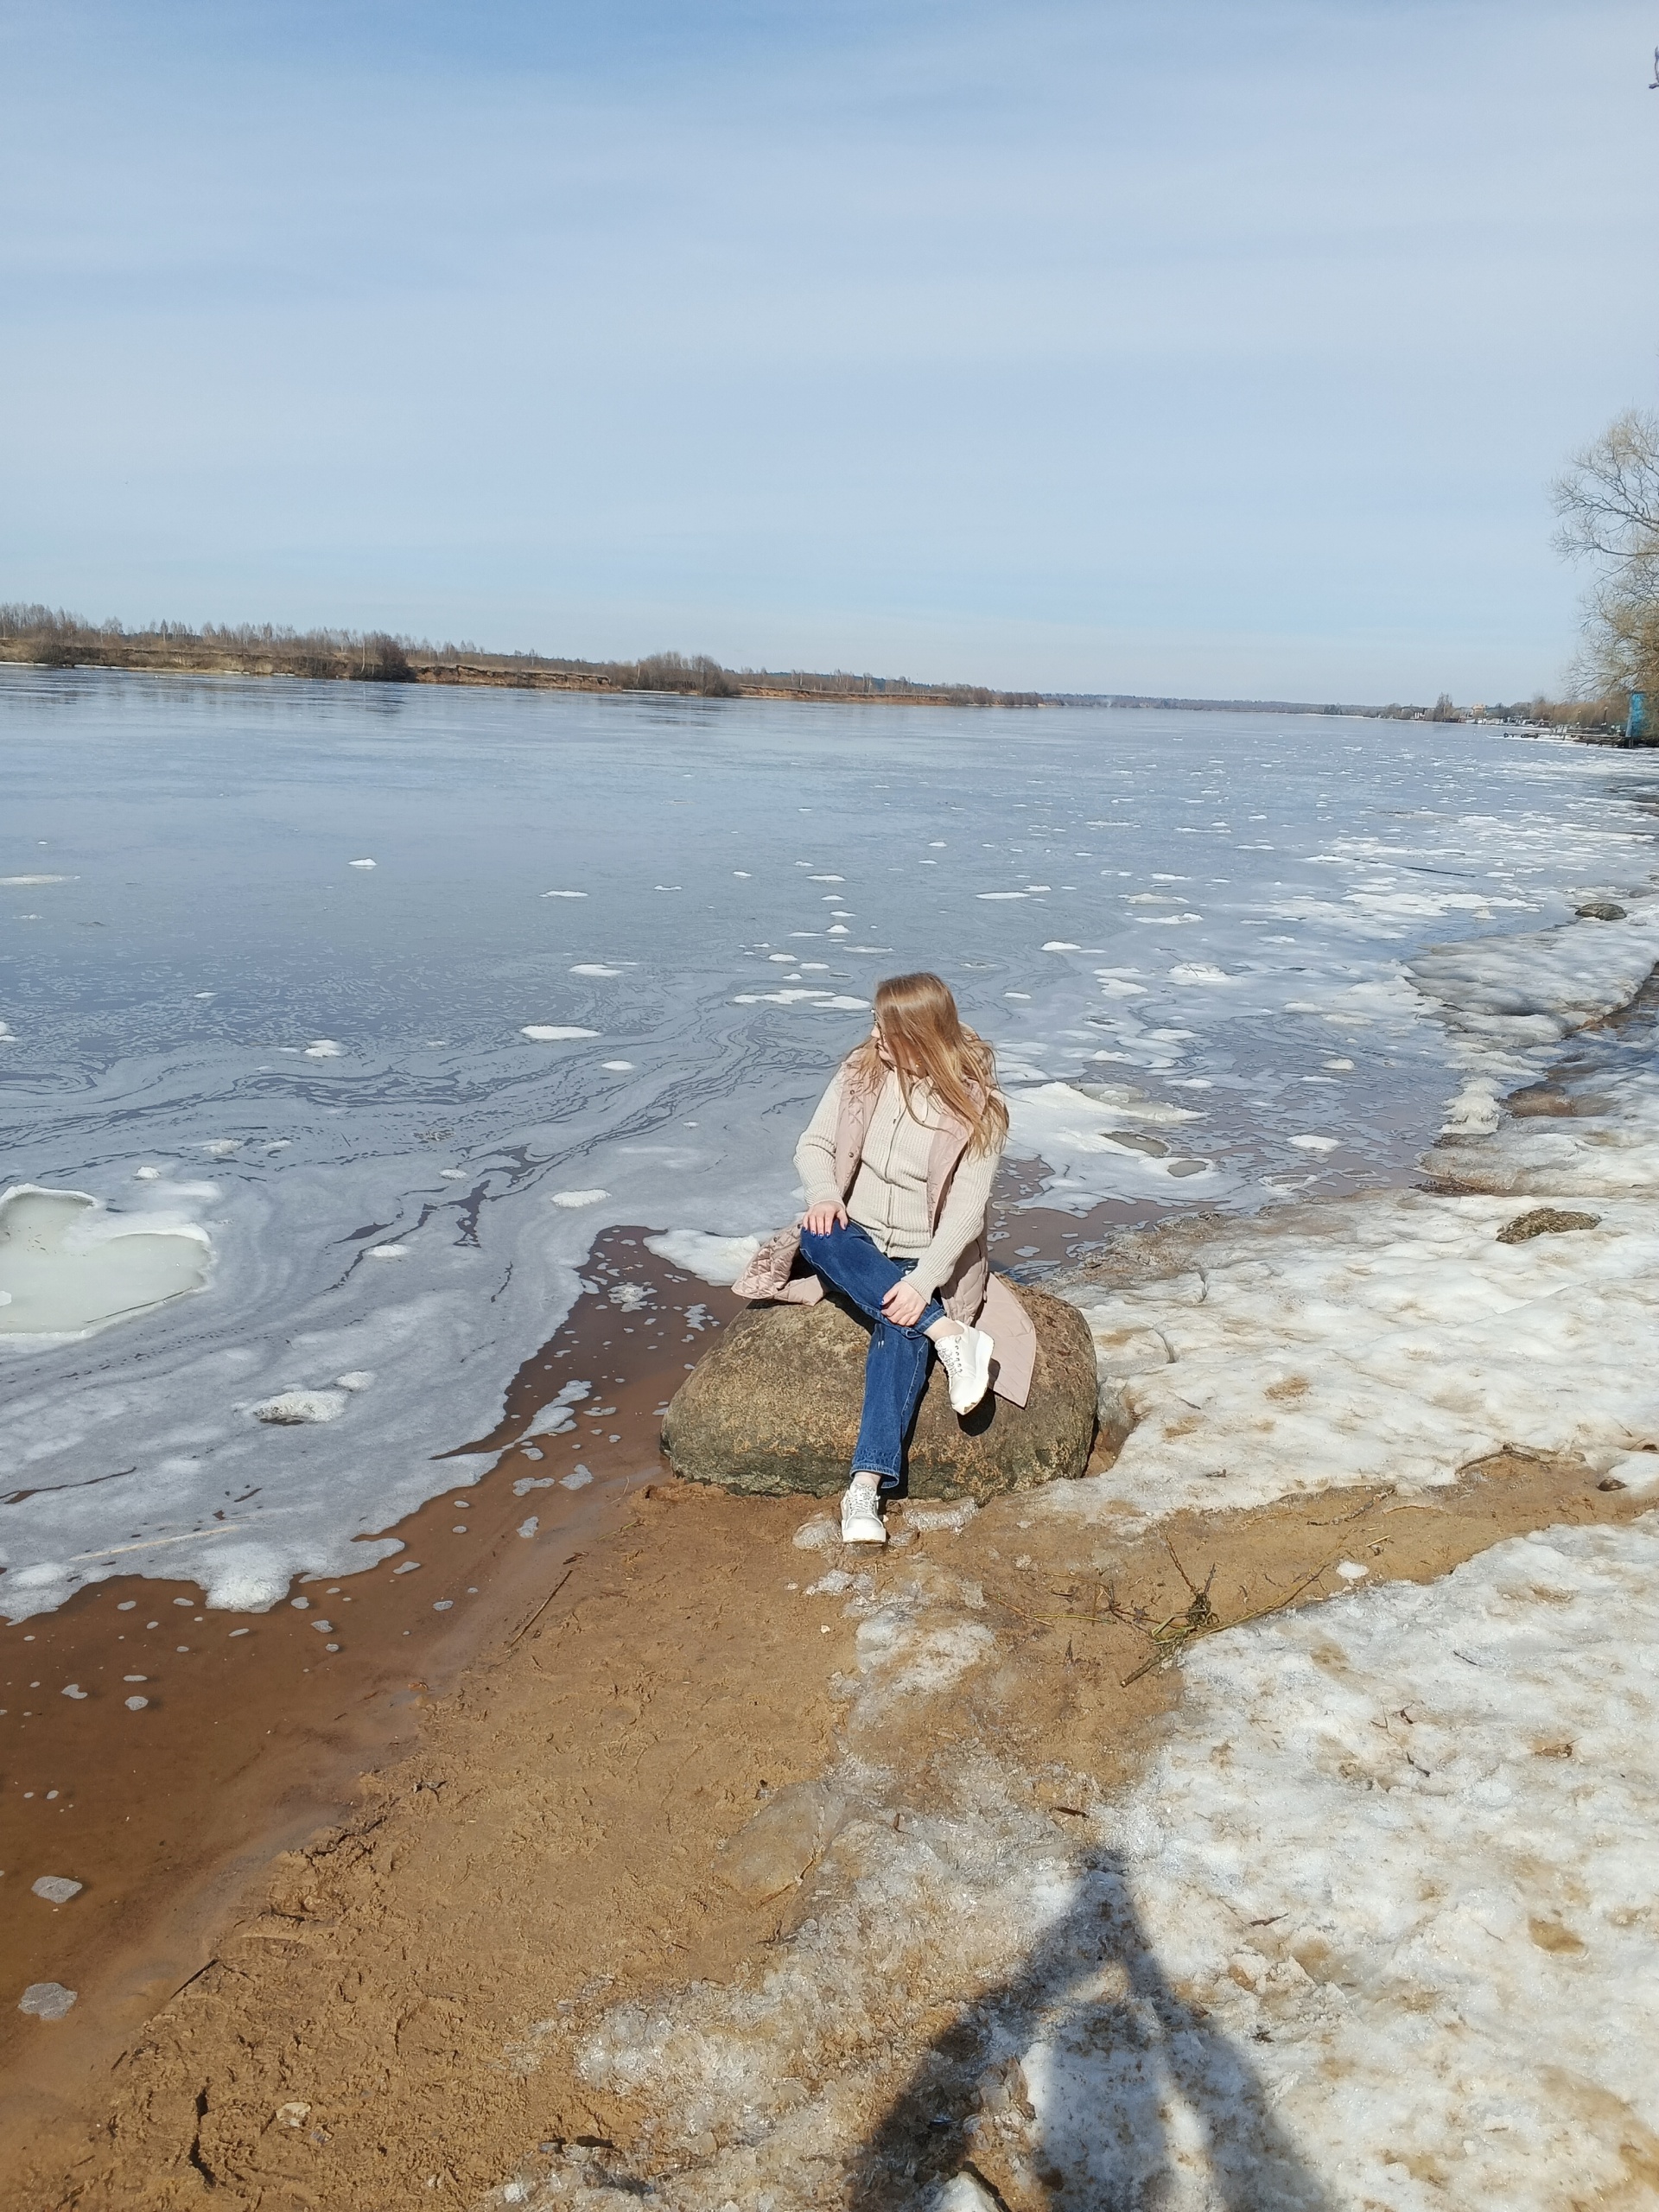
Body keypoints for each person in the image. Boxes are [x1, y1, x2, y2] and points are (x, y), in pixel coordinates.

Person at [795, 971, 1011, 1545]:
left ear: (918, 1035)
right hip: (857, 1240)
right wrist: (824, 1197)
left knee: (898, 1325)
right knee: (816, 1236)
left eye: (884, 1028)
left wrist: (925, 1283)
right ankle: (947, 1333)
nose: (872, 1035)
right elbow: (813, 1144)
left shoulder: (978, 1106)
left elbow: (967, 1212)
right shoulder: (861, 1072)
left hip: (924, 1255)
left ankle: (863, 1487)